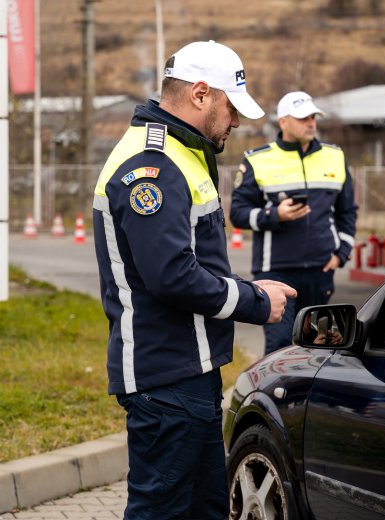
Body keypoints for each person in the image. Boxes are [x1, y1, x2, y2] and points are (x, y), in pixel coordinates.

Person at [92, 40, 297, 519]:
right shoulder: (153, 165)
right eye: (231, 107)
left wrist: (248, 289)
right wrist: (254, 301)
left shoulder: (182, 153)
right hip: (166, 379)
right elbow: (172, 276)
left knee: (205, 507)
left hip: (189, 373)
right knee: (162, 509)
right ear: (200, 94)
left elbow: (194, 262)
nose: (236, 122)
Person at [230, 90, 358, 354]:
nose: (310, 123)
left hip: (321, 271)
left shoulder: (335, 156)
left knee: (322, 348)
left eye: (313, 117)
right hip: (275, 272)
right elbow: (238, 214)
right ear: (283, 122)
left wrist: (341, 254)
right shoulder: (257, 159)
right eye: (302, 118)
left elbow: (347, 212)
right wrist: (275, 215)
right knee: (279, 347)